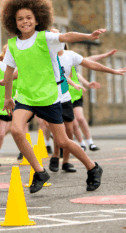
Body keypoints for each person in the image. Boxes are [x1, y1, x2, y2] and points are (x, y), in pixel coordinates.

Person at [0, 0, 126, 193]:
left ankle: (93, 168)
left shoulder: (45, 38)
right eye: (20, 19)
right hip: (25, 96)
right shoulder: (13, 45)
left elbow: (68, 35)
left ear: (37, 19)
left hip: (48, 96)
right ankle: (40, 172)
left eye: (29, 18)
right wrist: (7, 97)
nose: (24, 21)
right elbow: (9, 72)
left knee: (62, 141)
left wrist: (89, 36)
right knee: (15, 130)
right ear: (13, 22)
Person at [50, 45, 119, 173]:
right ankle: (56, 154)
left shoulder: (69, 56)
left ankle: (73, 155)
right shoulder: (47, 56)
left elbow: (89, 61)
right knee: (58, 130)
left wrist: (108, 63)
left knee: (71, 127)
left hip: (69, 97)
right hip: (51, 98)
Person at [69, 49, 117, 151]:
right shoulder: (55, 61)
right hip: (65, 96)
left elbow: (89, 60)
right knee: (73, 123)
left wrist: (106, 54)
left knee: (81, 118)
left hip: (76, 94)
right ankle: (81, 143)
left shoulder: (69, 58)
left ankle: (90, 142)